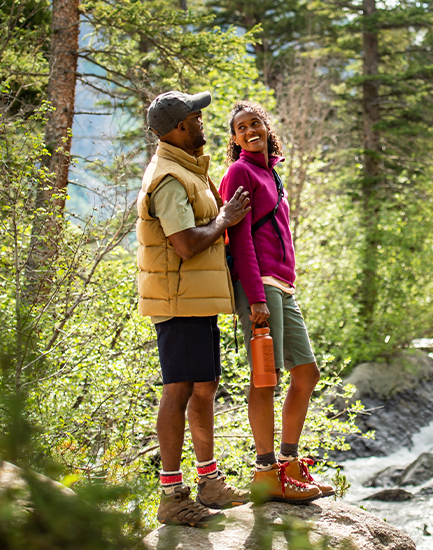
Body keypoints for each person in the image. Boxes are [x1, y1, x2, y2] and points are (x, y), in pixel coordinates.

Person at [136, 90, 252, 526]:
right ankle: (171, 496)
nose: (204, 122)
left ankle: (210, 483)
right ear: (180, 126)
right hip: (177, 300)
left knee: (204, 386)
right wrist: (225, 220)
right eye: (197, 117)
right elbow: (183, 245)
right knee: (180, 389)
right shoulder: (167, 178)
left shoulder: (188, 170)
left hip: (196, 298)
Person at [219, 101, 334, 504]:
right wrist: (254, 297)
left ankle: (289, 464)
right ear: (234, 139)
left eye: (255, 123)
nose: (250, 130)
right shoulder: (239, 172)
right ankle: (266, 473)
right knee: (265, 379)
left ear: (266, 128)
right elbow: (241, 237)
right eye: (241, 128)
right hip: (260, 287)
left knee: (307, 373)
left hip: (283, 287)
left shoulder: (271, 173)